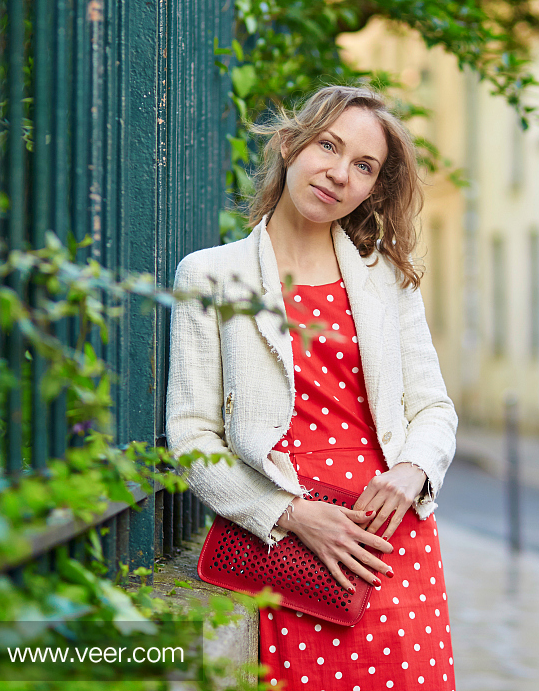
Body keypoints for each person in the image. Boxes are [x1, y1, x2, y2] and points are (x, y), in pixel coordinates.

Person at [166, 85, 458, 689]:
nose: (338, 173)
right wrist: (291, 515)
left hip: (389, 542)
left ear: (372, 189)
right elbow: (191, 437)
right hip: (291, 545)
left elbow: (433, 407)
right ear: (290, 143)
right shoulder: (210, 275)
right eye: (329, 145)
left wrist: (413, 471)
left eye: (363, 166)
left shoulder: (389, 281)